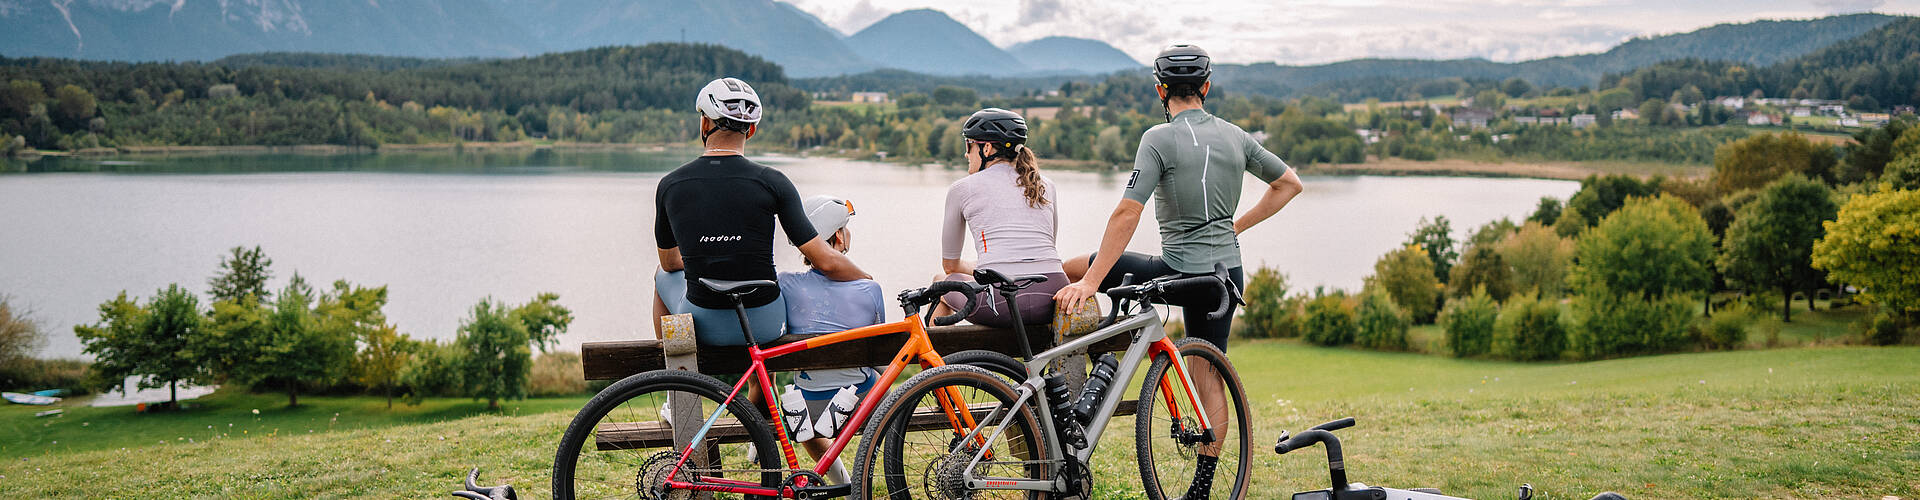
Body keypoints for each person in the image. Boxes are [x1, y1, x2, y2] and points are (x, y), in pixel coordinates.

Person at [1052, 44, 1305, 500]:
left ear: (1160, 90)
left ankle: (1093, 363)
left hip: (1177, 272)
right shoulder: (1236, 136)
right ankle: (1202, 490)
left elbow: (1128, 212)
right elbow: (1289, 184)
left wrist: (1091, 282)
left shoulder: (1157, 138)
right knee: (1207, 372)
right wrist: (1237, 226)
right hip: (1224, 277)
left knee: (1074, 267)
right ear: (1206, 88)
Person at [652, 77, 869, 346]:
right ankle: (759, 388)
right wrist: (866, 277)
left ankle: (670, 371)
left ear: (705, 123)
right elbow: (826, 261)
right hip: (765, 324)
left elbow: (670, 263)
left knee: (661, 276)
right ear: (751, 130)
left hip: (704, 323)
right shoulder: (773, 182)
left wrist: (710, 255)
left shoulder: (671, 185)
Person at [775, 194, 885, 484]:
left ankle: (843, 483)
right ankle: (859, 481)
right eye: (846, 227)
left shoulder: (785, 283)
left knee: (804, 425)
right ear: (838, 234)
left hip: (806, 406)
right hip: (861, 400)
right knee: (877, 376)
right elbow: (879, 352)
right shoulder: (869, 289)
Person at [932, 108, 1066, 327]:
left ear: (986, 148)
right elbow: (1045, 248)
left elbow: (951, 266)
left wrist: (983, 268)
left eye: (969, 145)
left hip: (1002, 302)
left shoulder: (962, 189)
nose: (966, 154)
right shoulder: (1046, 185)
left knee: (940, 282)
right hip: (1051, 295)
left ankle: (937, 361)